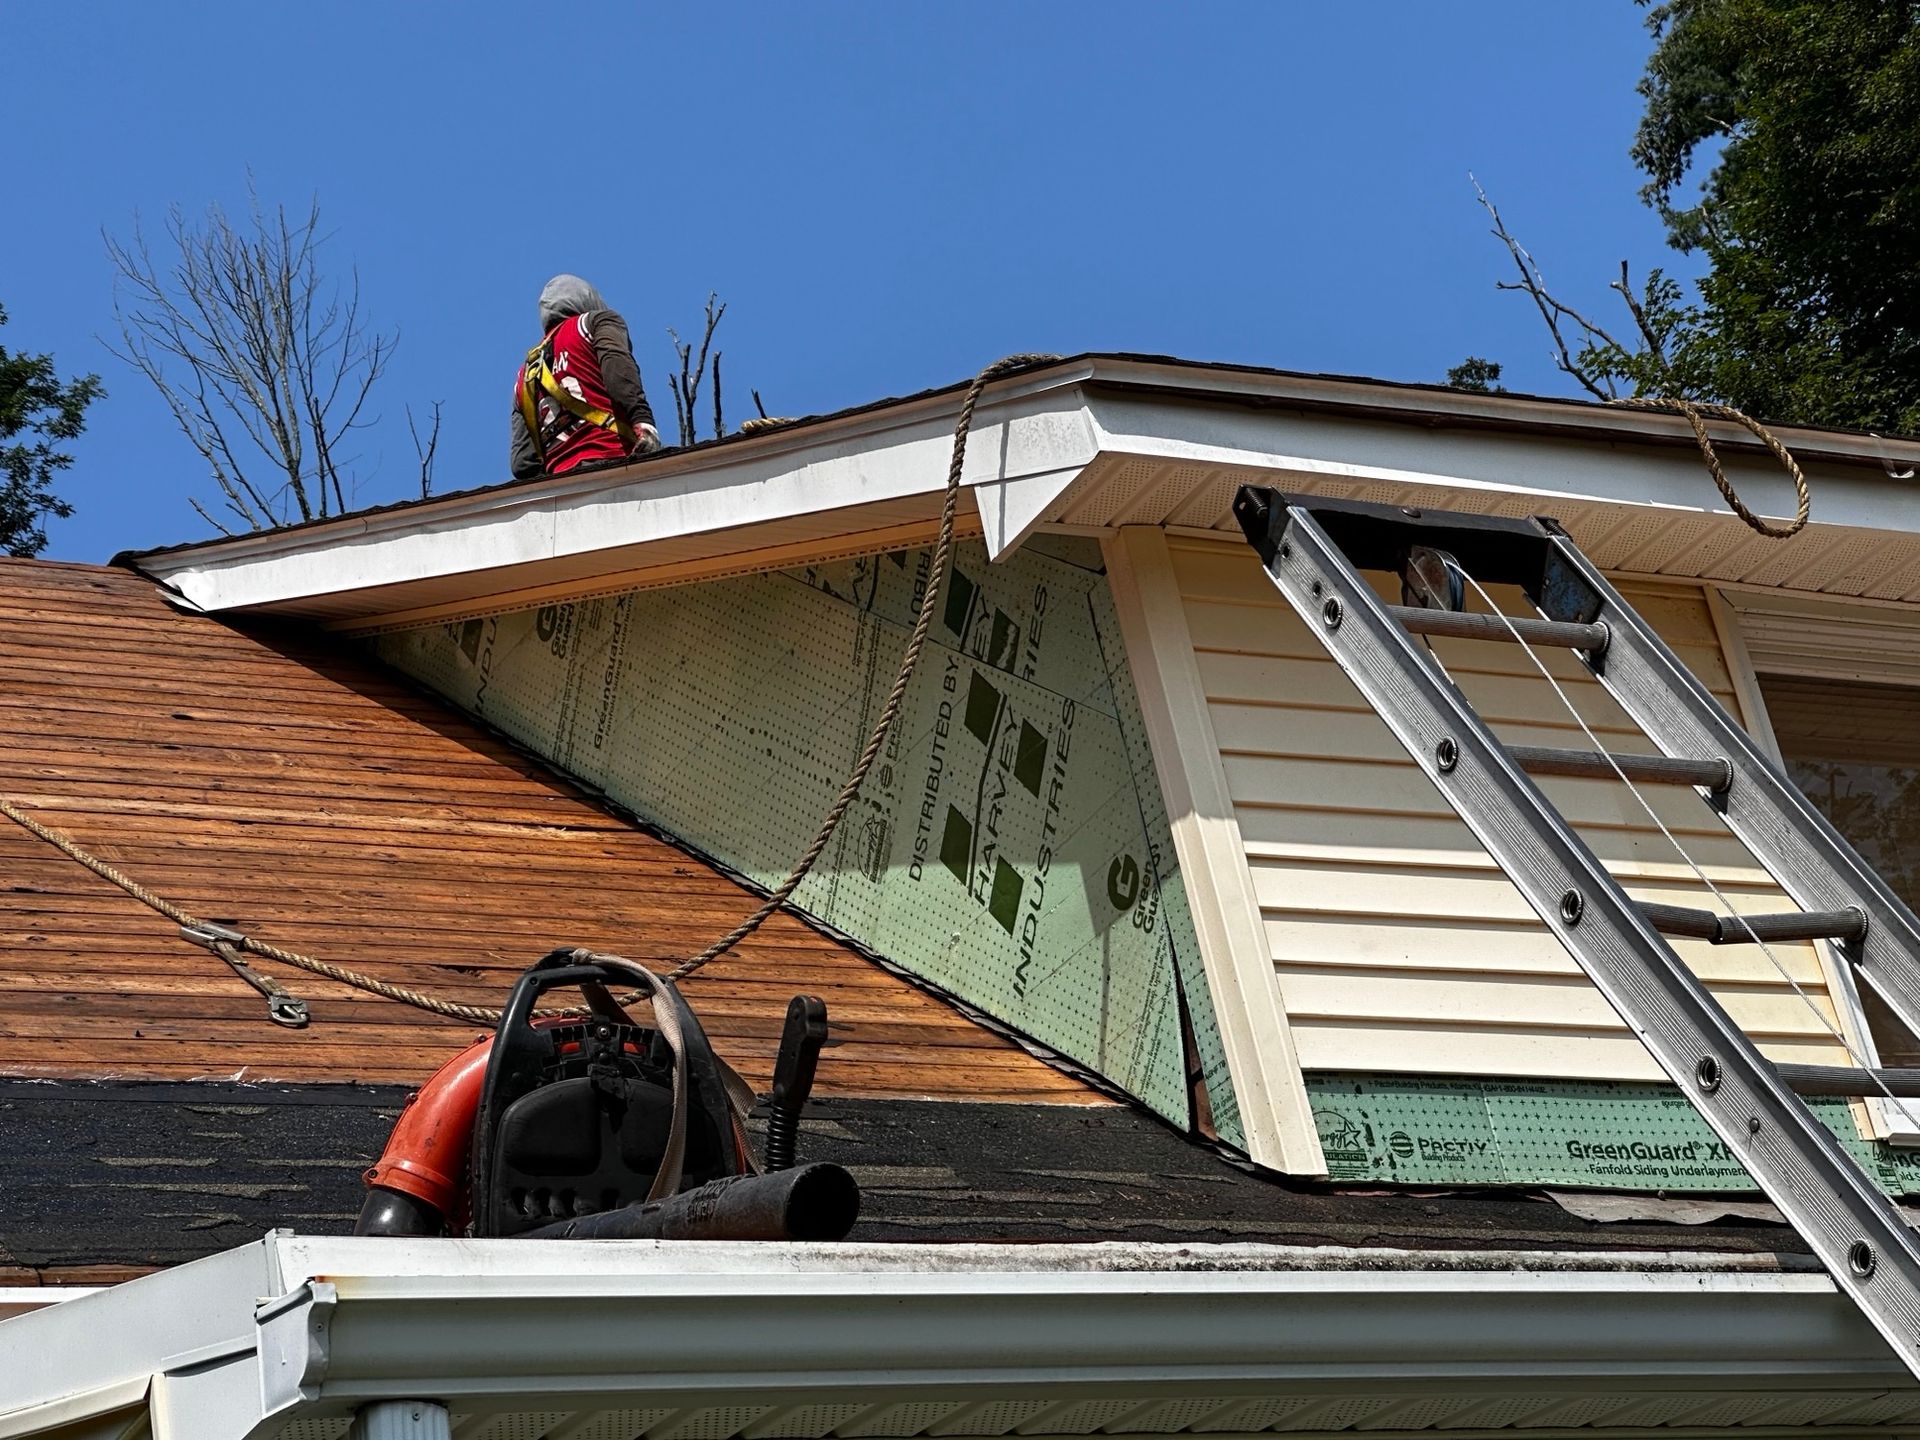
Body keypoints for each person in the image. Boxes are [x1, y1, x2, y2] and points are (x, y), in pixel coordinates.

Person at [510, 275, 664, 479]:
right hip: (613, 460)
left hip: (561, 489)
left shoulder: (525, 374)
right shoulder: (595, 323)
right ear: (589, 300)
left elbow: (522, 464)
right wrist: (644, 422)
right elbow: (618, 372)